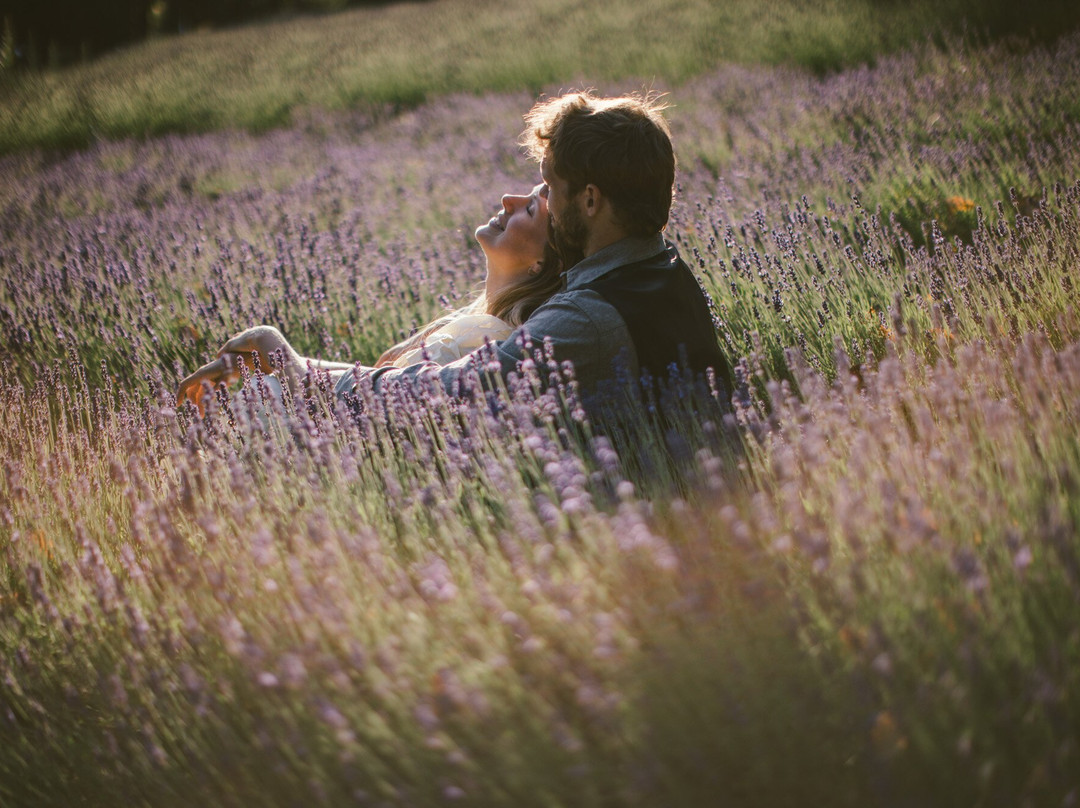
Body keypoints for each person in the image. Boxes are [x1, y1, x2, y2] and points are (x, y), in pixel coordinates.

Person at [180, 91, 729, 418]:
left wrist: (298, 373)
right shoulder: (662, 269)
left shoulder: (588, 317)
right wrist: (303, 368)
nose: (534, 196)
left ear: (589, 199)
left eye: (548, 187)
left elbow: (442, 395)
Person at [176, 185, 564, 414]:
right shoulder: (479, 324)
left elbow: (349, 411)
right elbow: (366, 384)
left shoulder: (485, 340)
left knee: (266, 396)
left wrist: (269, 343)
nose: (509, 198)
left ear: (540, 264)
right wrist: (274, 359)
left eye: (529, 209)